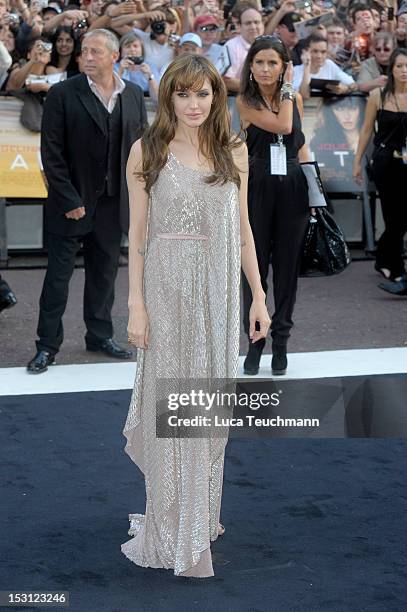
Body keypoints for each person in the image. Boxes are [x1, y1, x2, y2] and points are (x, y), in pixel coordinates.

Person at [121, 54, 270, 577]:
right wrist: (135, 306)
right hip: (166, 291)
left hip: (218, 294)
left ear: (216, 96)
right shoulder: (148, 149)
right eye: (182, 94)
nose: (193, 104)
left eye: (202, 93)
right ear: (168, 98)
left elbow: (245, 230)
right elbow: (136, 238)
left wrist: (258, 294)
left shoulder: (234, 149)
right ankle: (176, 532)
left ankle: (198, 515)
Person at [27, 28, 148, 374]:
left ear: (114, 57)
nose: (87, 57)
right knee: (57, 278)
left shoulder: (134, 95)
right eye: (84, 52)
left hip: (114, 204)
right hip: (71, 202)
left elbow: (140, 149)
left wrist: (140, 196)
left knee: (105, 275)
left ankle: (99, 336)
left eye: (96, 52)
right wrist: (68, 198)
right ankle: (47, 346)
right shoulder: (62, 94)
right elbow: (51, 153)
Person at [237, 35, 310, 376]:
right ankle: (255, 344)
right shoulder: (245, 101)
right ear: (250, 66)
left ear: (283, 67)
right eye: (260, 62)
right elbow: (282, 125)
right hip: (258, 187)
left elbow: (301, 143)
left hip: (294, 187)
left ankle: (281, 342)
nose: (265, 69)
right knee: (254, 271)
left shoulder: (293, 96)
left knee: (287, 271)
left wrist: (315, 192)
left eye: (273, 63)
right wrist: (288, 88)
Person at [353, 48, 407, 282]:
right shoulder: (378, 95)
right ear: (391, 69)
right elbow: (366, 131)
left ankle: (384, 258)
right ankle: (394, 269)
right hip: (385, 163)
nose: (404, 71)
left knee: (402, 218)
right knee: (392, 216)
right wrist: (357, 162)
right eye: (399, 66)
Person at [293, 34, 355, 99]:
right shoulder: (296, 71)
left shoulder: (329, 64)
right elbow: (304, 95)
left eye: (323, 52)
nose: (319, 56)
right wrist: (306, 67)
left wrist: (346, 89)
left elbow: (353, 84)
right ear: (305, 52)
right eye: (315, 51)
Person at [223, 5, 264, 92]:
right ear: (239, 26)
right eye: (248, 23)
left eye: (256, 22)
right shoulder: (231, 46)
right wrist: (258, 90)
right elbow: (225, 80)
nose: (253, 27)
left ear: (262, 24)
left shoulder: (268, 45)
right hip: (237, 97)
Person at [115, 31, 159, 101]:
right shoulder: (114, 67)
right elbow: (112, 94)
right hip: (121, 102)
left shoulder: (151, 66)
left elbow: (157, 99)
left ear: (142, 50)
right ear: (121, 51)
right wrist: (120, 71)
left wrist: (150, 76)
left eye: (135, 46)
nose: (132, 49)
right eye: (128, 46)